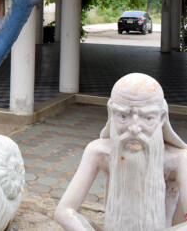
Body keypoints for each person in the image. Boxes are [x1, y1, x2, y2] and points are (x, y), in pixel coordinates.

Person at [54, 73, 187, 231]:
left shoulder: (178, 159)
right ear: (111, 112)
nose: (134, 129)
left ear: (162, 117)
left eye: (148, 118)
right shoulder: (99, 152)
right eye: (123, 116)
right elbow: (64, 211)